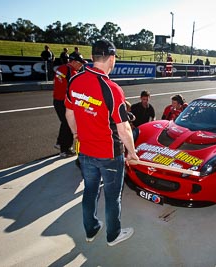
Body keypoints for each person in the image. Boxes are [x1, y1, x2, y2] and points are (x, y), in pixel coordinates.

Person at [65, 39, 138, 246]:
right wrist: (132, 153)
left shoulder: (75, 81)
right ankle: (113, 235)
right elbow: (124, 129)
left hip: (85, 151)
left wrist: (76, 133)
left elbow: (69, 113)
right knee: (113, 197)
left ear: (92, 58)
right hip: (109, 154)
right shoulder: (112, 89)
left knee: (90, 191)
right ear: (112, 58)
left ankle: (91, 230)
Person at [53, 52, 87, 157]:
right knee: (68, 124)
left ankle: (60, 142)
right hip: (65, 101)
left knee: (64, 122)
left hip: (57, 100)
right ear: (73, 62)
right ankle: (65, 149)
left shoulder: (61, 68)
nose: (82, 65)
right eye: (80, 63)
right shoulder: (73, 73)